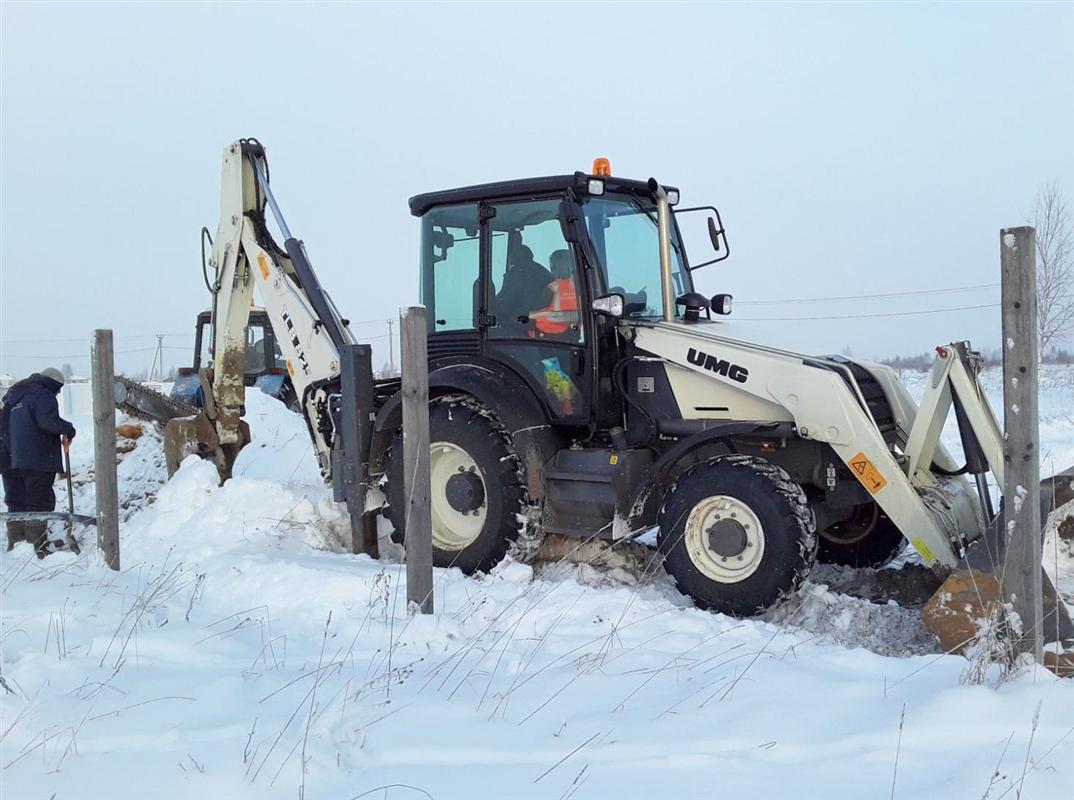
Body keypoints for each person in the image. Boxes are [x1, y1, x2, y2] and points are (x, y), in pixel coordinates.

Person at [0, 367, 76, 556]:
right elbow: (48, 421)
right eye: (58, 389)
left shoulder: (14, 396)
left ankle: (17, 545)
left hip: (11, 457)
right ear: (54, 385)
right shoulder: (43, 394)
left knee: (16, 499)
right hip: (38, 458)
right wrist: (68, 428)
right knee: (39, 499)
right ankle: (37, 546)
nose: (57, 393)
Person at [495, 244, 553, 330]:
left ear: (514, 260)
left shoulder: (518, 274)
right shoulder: (544, 273)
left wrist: (491, 307)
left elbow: (507, 301)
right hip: (541, 324)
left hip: (522, 324)